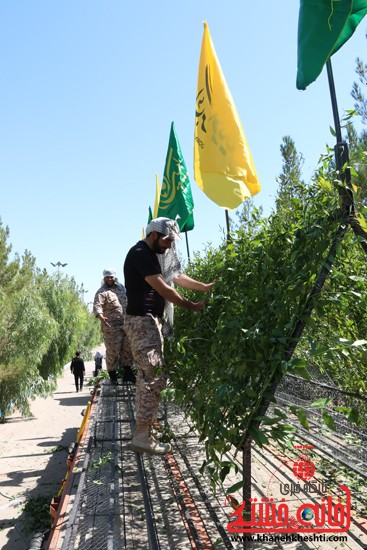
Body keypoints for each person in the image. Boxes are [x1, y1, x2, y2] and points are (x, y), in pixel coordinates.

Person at [124, 217, 215, 455]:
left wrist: (204, 287)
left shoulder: (152, 254)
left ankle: (144, 432)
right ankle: (142, 436)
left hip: (148, 321)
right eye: (167, 241)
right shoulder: (140, 253)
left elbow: (177, 278)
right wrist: (191, 305)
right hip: (142, 322)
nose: (169, 246)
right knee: (153, 377)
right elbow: (164, 288)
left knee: (149, 377)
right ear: (154, 235)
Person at [93, 268, 136, 385]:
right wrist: (100, 316)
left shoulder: (122, 289)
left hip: (125, 324)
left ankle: (128, 372)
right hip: (111, 327)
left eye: (111, 277)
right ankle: (113, 375)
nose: (109, 279)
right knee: (113, 351)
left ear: (115, 277)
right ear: (104, 278)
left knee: (127, 349)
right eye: (107, 277)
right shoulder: (102, 292)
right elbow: (98, 305)